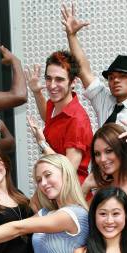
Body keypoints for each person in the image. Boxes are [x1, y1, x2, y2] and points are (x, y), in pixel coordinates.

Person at [61, 2, 127, 167]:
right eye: (112, 77)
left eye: (122, 76)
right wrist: (71, 36)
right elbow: (83, 70)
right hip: (101, 181)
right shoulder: (105, 101)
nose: (115, 81)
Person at [82, 123, 127, 244]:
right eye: (97, 154)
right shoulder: (103, 188)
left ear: (122, 150)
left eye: (109, 151)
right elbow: (78, 221)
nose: (102, 159)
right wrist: (85, 186)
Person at [25, 50, 93, 182]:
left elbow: (69, 170)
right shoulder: (55, 103)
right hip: (54, 188)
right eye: (48, 78)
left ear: (73, 82)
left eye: (59, 79)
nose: (52, 85)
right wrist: (37, 92)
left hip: (72, 195)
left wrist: (42, 144)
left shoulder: (77, 120)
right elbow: (48, 117)